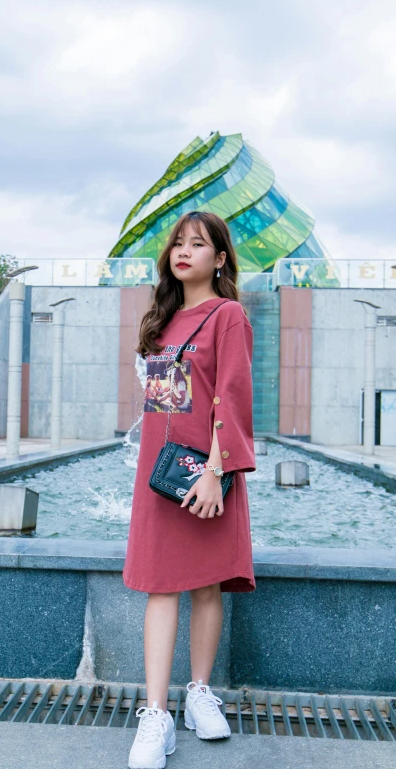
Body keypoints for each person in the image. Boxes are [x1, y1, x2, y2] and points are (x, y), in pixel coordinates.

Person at [123, 210, 256, 769]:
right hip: (163, 478)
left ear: (220, 258)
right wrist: (168, 471)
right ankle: (157, 715)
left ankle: (199, 692)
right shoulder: (160, 321)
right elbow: (164, 410)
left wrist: (214, 473)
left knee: (205, 588)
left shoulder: (228, 316)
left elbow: (232, 397)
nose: (184, 252)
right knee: (160, 588)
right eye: (177, 243)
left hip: (210, 476)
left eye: (198, 244)